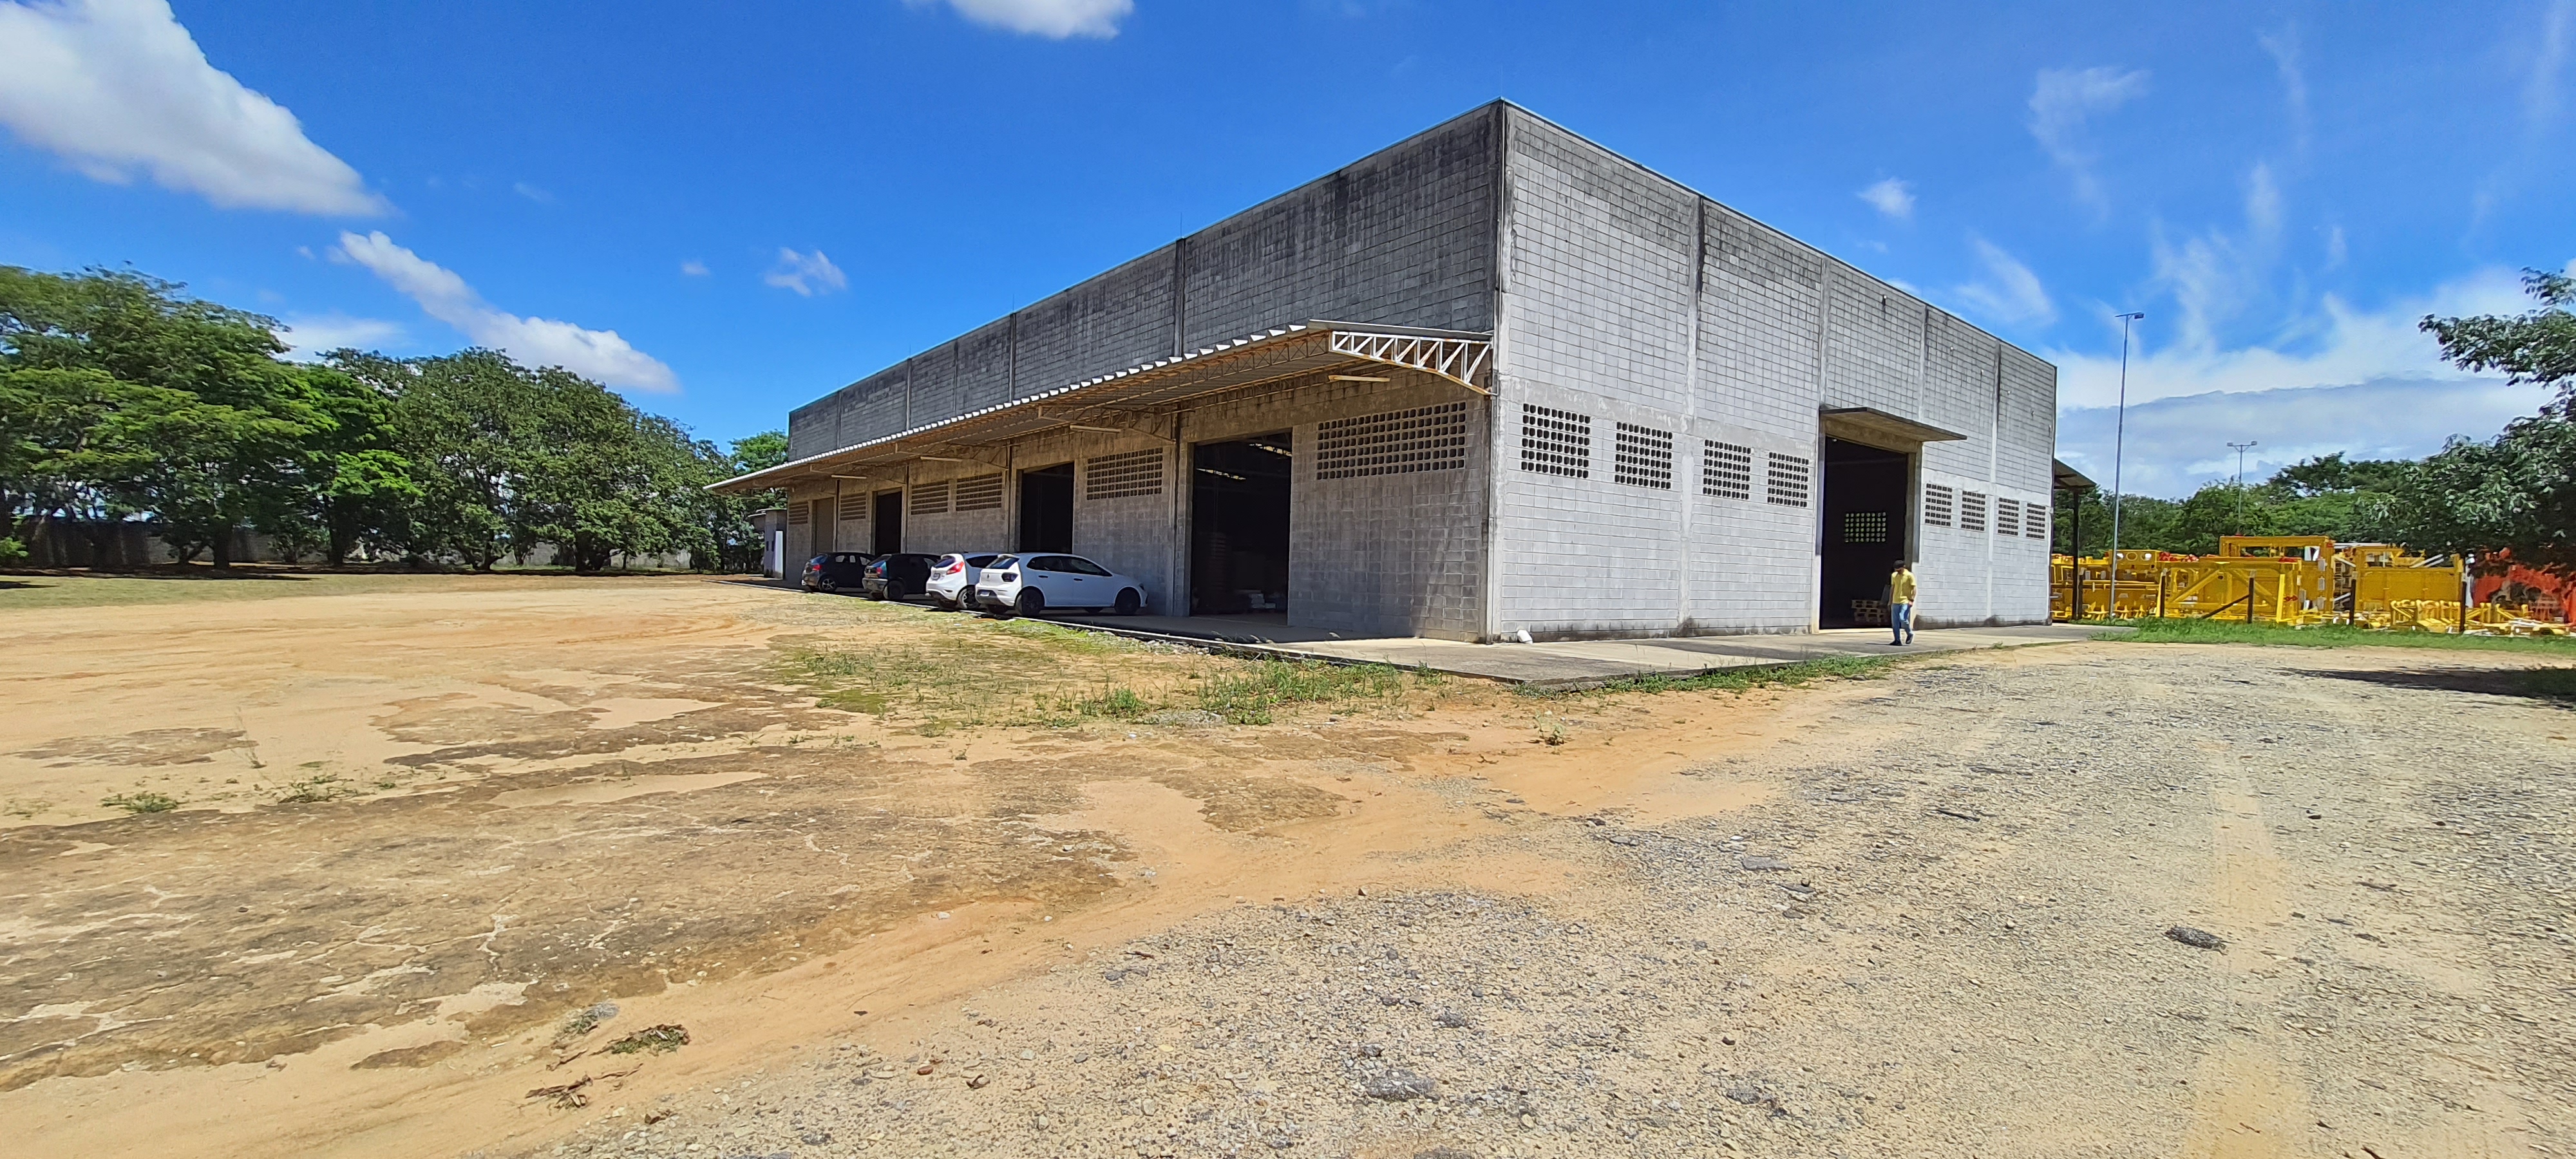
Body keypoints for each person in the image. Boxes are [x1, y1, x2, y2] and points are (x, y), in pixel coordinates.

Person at [1888, 560, 1917, 646]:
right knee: (1895, 622)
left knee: (1903, 618)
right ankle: (1897, 640)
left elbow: (1914, 588)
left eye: (1899, 570)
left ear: (1903, 567)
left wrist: (1912, 600)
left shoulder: (1909, 575)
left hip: (1905, 600)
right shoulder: (1894, 576)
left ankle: (1910, 633)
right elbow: (1892, 588)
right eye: (1896, 570)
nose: (1898, 572)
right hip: (1895, 601)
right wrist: (1890, 600)